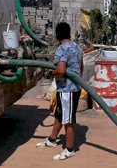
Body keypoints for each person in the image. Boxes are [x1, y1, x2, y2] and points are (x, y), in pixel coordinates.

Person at [36, 22, 84, 160]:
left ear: (57, 35)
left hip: (66, 90)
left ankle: (69, 149)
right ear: (68, 33)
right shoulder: (77, 47)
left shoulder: (62, 49)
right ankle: (52, 140)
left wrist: (53, 73)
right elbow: (81, 67)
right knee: (60, 114)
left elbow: (61, 71)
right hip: (74, 87)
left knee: (68, 119)